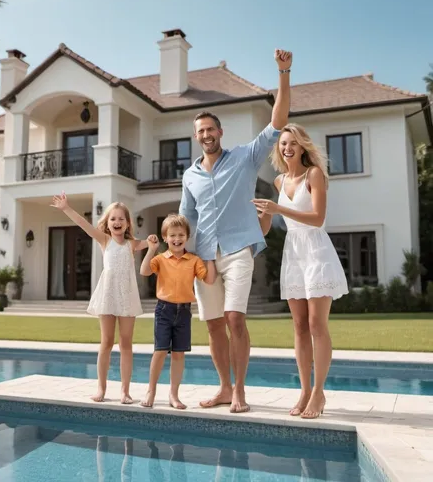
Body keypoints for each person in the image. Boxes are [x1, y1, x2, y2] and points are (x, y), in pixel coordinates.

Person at [179, 49, 292, 413]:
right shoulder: (190, 176)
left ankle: (241, 390)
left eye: (211, 129)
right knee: (213, 326)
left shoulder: (245, 156)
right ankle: (224, 388)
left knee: (234, 319)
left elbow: (278, 121)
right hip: (203, 259)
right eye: (201, 131)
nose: (206, 134)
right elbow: (185, 220)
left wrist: (283, 72)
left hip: (239, 250)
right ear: (196, 137)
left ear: (220, 132)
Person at [252, 123, 349, 419]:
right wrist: (263, 215)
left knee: (317, 325)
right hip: (293, 254)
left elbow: (317, 218)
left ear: (303, 145)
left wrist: (279, 210)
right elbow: (269, 225)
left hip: (316, 251)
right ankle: (305, 390)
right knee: (298, 326)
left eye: (292, 142)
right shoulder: (279, 182)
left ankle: (319, 393)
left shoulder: (314, 175)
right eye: (283, 143)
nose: (287, 148)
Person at [51, 192, 157, 404]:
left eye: (121, 218)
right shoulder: (104, 239)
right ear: (107, 224)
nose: (117, 222)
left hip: (127, 296)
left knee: (126, 343)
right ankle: (101, 388)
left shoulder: (133, 244)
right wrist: (66, 208)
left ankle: (125, 391)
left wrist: (152, 243)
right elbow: (83, 224)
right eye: (113, 218)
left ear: (127, 223)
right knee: (106, 342)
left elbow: (151, 243)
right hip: (107, 295)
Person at [139, 214, 216, 409]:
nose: (177, 238)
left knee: (179, 354)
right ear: (165, 237)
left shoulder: (194, 260)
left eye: (181, 234)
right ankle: (151, 391)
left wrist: (211, 257)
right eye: (172, 235)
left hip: (184, 312)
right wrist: (151, 249)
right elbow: (144, 271)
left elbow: (209, 280)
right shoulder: (160, 259)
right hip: (164, 310)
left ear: (187, 237)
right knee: (160, 351)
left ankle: (174, 395)